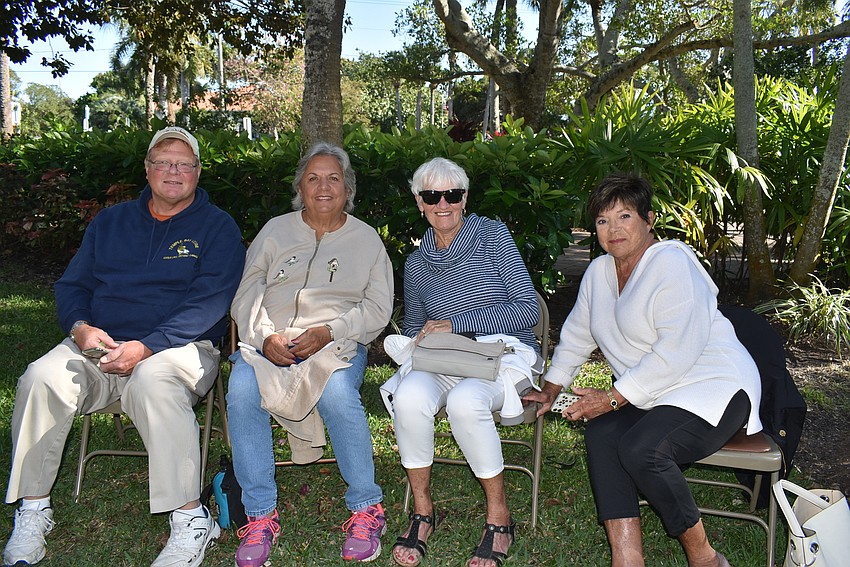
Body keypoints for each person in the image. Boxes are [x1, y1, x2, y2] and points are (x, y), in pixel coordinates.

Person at [2, 126, 245, 567]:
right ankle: (33, 509)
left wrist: (147, 347)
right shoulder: (110, 222)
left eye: (184, 163)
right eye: (164, 162)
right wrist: (79, 328)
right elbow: (73, 283)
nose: (174, 171)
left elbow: (210, 303)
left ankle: (191, 517)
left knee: (152, 381)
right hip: (102, 344)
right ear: (148, 169)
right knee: (41, 378)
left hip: (180, 348)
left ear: (198, 172)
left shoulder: (218, 228)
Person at [524, 173, 763, 567]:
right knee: (601, 434)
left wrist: (614, 397)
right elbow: (578, 335)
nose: (613, 229)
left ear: (648, 219)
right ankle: (627, 558)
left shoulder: (671, 262)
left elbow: (676, 352)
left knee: (643, 450)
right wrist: (550, 388)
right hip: (655, 392)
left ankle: (705, 558)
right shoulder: (600, 273)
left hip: (713, 387)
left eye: (624, 216)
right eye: (603, 220)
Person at [227, 142, 394, 566]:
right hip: (270, 342)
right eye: (313, 178)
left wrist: (329, 331)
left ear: (348, 188)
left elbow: (378, 309)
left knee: (338, 394)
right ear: (300, 186)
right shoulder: (275, 230)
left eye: (333, 178)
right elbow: (248, 292)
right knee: (242, 392)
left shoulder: (367, 240)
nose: (323, 187)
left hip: (335, 345)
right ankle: (260, 515)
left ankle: (366, 507)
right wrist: (264, 336)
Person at [381, 157, 540, 567]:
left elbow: (527, 310)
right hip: (445, 361)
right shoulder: (416, 265)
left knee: (465, 402)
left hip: (500, 355)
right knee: (412, 395)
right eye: (432, 195)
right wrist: (416, 339)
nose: (443, 203)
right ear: (419, 202)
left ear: (465, 197)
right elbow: (421, 330)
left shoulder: (491, 236)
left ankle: (499, 518)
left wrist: (457, 323)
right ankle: (422, 511)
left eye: (452, 194)